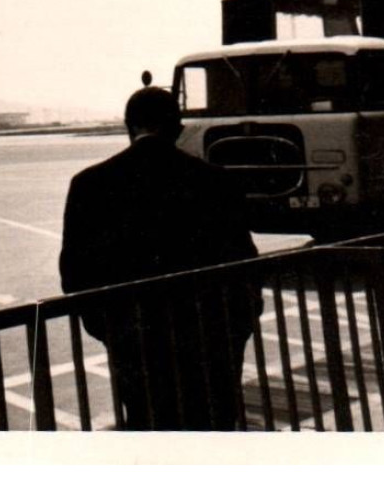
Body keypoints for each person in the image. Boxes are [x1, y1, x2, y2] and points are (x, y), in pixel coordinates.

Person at [59, 84, 261, 430]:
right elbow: (244, 261)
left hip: (136, 341)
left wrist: (110, 331)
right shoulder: (215, 181)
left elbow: (75, 273)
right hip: (211, 338)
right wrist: (238, 326)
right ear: (178, 129)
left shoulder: (90, 184)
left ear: (128, 127)